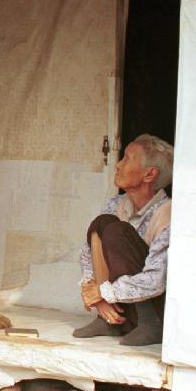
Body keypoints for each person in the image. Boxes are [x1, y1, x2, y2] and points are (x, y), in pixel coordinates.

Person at [73, 134, 173, 346]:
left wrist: (103, 292)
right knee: (102, 223)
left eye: (127, 159)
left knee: (118, 231)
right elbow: (88, 252)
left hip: (156, 311)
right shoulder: (116, 204)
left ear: (149, 174)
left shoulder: (167, 212)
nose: (118, 165)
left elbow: (157, 279)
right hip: (121, 308)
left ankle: (150, 324)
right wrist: (96, 297)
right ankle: (108, 321)